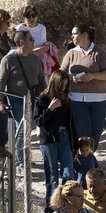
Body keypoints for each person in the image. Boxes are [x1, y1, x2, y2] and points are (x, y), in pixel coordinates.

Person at [59, 25, 106, 150]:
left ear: (85, 35)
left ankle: (91, 155)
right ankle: (84, 159)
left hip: (99, 100)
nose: (72, 37)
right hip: (77, 99)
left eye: (75, 34)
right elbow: (61, 73)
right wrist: (70, 77)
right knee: (83, 132)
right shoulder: (71, 53)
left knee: (96, 130)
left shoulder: (99, 52)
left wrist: (93, 76)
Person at [0, 29, 44, 163]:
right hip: (16, 99)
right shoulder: (8, 60)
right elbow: (1, 82)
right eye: (31, 39)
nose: (33, 41)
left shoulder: (35, 58)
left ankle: (21, 157)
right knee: (23, 128)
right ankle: (21, 160)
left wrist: (44, 94)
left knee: (27, 129)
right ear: (22, 42)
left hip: (32, 98)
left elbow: (41, 80)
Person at [34, 72, 73, 202]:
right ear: (55, 83)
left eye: (66, 85)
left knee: (69, 173)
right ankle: (52, 207)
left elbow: (71, 123)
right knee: (52, 176)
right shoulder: (42, 99)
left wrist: (75, 147)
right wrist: (50, 108)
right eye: (62, 85)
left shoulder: (66, 99)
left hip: (64, 137)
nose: (63, 88)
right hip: (49, 140)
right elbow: (39, 122)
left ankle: (67, 203)